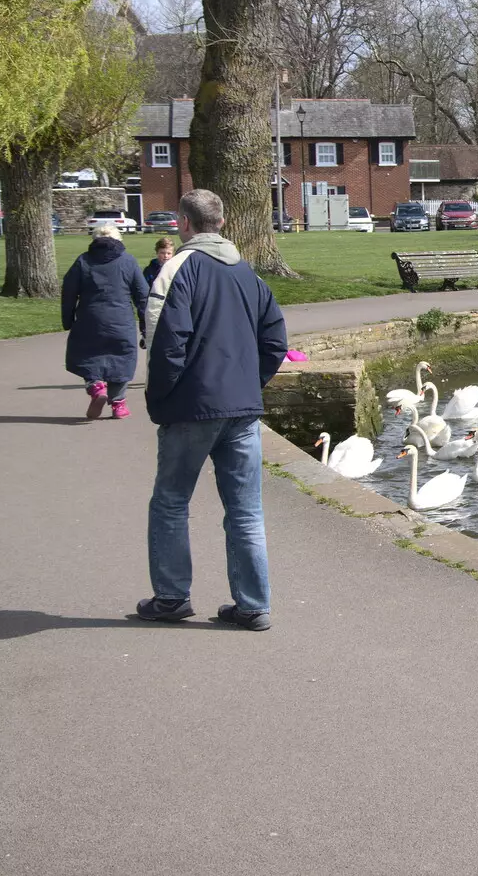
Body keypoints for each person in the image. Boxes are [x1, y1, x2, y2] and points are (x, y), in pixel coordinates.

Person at [137, 189, 288, 631]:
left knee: (170, 502)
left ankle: (171, 597)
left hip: (190, 407)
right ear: (221, 223)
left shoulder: (177, 269)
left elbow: (167, 343)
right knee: (245, 510)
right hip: (241, 409)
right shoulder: (248, 275)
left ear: (184, 222)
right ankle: (252, 605)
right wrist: (248, 383)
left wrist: (159, 400)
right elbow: (275, 341)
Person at [62, 225, 149, 420]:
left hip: (89, 319)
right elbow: (142, 295)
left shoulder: (83, 261)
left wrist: (67, 320)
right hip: (121, 320)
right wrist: (145, 326)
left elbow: (68, 291)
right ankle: (118, 403)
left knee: (86, 354)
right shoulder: (128, 261)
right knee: (122, 358)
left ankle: (96, 386)